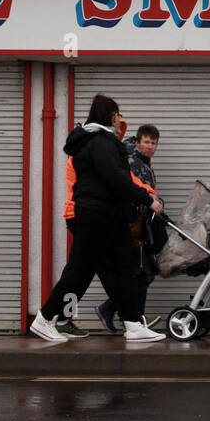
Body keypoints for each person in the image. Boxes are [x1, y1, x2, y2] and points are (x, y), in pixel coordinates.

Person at [31, 95, 166, 342]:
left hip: (108, 216)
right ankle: (45, 318)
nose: (119, 119)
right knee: (79, 272)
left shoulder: (100, 140)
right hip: (96, 216)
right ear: (108, 115)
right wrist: (147, 198)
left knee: (123, 268)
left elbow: (116, 173)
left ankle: (133, 324)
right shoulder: (99, 142)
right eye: (116, 114)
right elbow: (116, 178)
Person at [97, 123, 167, 333]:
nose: (150, 146)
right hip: (130, 227)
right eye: (146, 142)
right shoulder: (132, 161)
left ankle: (117, 311)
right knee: (141, 272)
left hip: (140, 225)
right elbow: (131, 190)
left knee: (143, 272)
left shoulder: (144, 162)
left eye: (153, 143)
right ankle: (134, 319)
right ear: (137, 142)